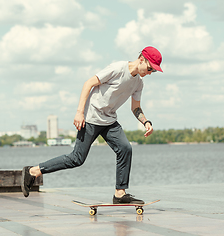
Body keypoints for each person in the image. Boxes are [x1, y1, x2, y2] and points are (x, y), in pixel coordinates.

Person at [21, 46, 163, 204]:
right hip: (90, 117)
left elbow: (135, 107)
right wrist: (79, 112)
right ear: (142, 59)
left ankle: (120, 194)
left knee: (125, 148)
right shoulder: (117, 68)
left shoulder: (138, 83)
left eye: (153, 71)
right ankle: (33, 171)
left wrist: (146, 121)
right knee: (77, 159)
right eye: (150, 69)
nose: (150, 73)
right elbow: (88, 84)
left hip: (109, 121)